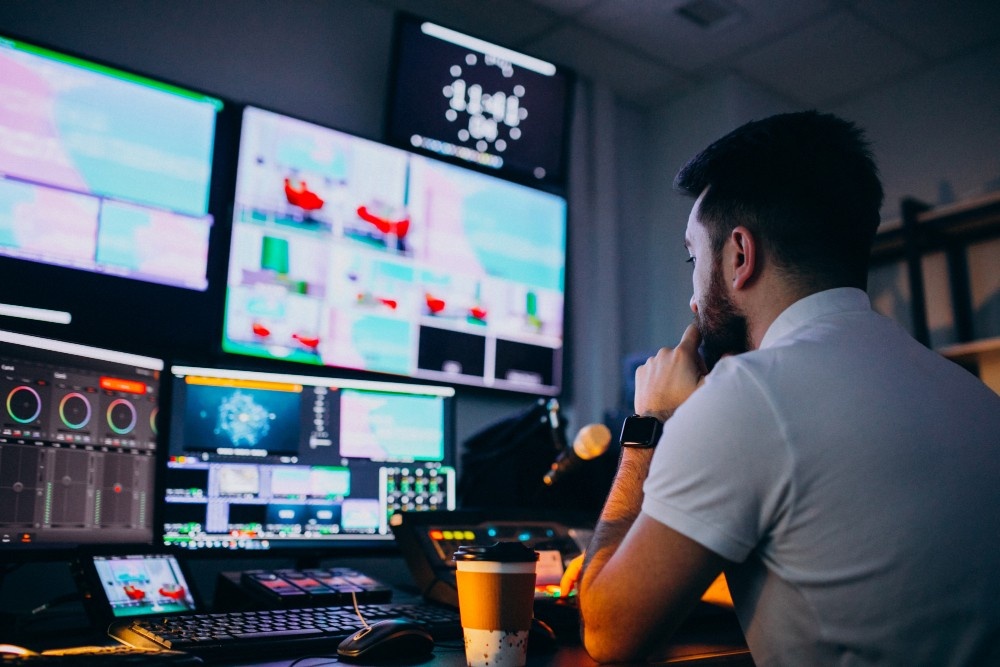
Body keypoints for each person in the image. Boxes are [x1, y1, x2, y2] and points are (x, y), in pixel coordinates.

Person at [575, 111, 1000, 665]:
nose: (692, 299)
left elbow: (608, 634)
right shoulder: (973, 396)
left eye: (692, 258)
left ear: (739, 256)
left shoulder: (745, 395)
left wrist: (648, 426)